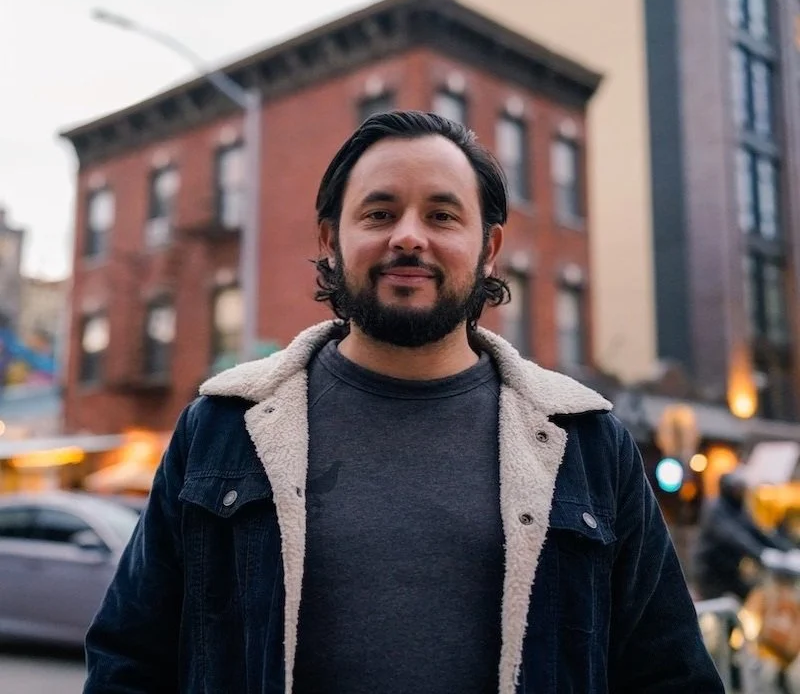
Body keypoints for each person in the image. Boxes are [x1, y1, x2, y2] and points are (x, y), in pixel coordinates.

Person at [84, 111, 723, 693]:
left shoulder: (586, 441)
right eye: (380, 213)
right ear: (331, 239)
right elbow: (130, 661)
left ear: (488, 247)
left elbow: (668, 673)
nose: (409, 238)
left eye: (442, 216)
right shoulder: (223, 428)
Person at [694, 467, 793, 601]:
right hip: (711, 573)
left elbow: (756, 532)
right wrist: (762, 554)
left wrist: (787, 549)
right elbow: (735, 537)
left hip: (730, 571)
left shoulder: (738, 508)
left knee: (750, 596)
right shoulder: (715, 509)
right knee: (719, 611)